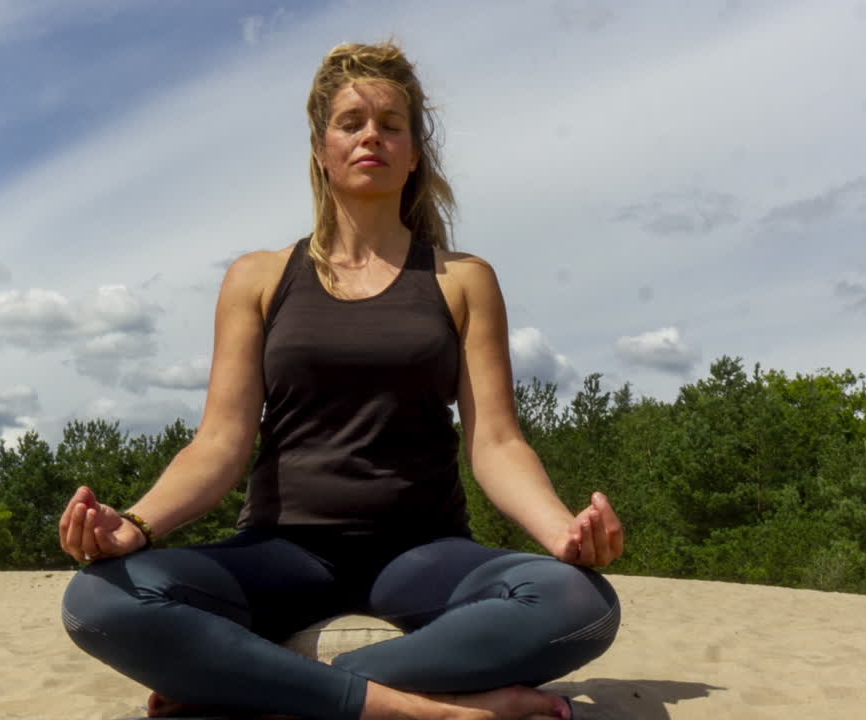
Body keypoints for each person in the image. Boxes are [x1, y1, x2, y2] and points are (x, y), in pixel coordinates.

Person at [60, 41, 623, 720]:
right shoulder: (259, 278)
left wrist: (562, 531)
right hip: (280, 552)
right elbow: (219, 443)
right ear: (321, 148)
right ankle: (419, 711)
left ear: (415, 153)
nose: (371, 138)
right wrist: (138, 525)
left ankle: (261, 693)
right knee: (98, 597)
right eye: (351, 122)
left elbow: (496, 444)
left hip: (425, 553)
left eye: (391, 125)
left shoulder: (464, 280)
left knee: (579, 602)